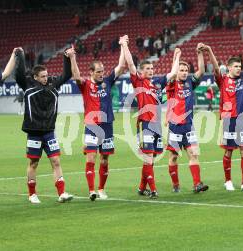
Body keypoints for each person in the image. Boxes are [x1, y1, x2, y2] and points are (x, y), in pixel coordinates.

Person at [122, 35, 181, 198]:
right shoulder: (138, 82)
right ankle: (153, 190)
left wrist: (177, 56)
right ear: (141, 72)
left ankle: (142, 188)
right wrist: (124, 45)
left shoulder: (157, 84)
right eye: (147, 69)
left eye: (151, 69)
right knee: (148, 157)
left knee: (152, 158)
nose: (150, 70)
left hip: (157, 125)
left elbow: (173, 73)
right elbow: (130, 64)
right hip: (146, 124)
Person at [15, 47, 76, 204]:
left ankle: (62, 193)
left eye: (46, 75)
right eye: (42, 76)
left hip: (49, 131)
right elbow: (19, 74)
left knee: (56, 161)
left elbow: (67, 74)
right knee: (33, 163)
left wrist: (66, 57)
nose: (46, 78)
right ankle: (32, 194)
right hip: (34, 132)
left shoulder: (53, 85)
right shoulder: (27, 85)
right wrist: (20, 55)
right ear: (35, 77)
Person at [204, 28, 243, 192]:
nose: (238, 68)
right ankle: (228, 181)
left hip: (242, 120)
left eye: (239, 66)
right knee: (228, 151)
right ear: (228, 68)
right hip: (228, 120)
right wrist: (210, 51)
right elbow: (214, 66)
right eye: (235, 66)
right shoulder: (222, 80)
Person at [72, 36, 126, 201]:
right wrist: (73, 57)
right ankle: (92, 190)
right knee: (91, 156)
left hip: (107, 125)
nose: (102, 74)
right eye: (98, 72)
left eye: (103, 71)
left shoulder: (108, 81)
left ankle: (101, 189)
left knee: (104, 159)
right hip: (91, 125)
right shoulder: (85, 85)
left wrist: (123, 45)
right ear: (91, 72)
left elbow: (121, 66)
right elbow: (75, 75)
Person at [165, 43, 209, 193]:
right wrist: (176, 57)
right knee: (174, 157)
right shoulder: (171, 84)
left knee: (193, 154)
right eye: (181, 70)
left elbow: (202, 71)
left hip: (189, 126)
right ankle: (175, 184)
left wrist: (199, 53)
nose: (184, 73)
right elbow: (171, 73)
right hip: (175, 126)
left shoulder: (190, 82)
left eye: (186, 70)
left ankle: (197, 184)